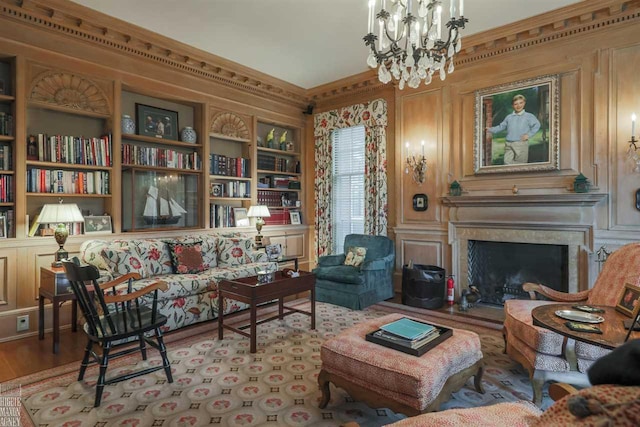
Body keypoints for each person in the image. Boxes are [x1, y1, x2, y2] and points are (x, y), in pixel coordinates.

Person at [486, 94, 541, 165]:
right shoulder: (509, 117)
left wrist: (529, 135)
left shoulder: (529, 116)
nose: (518, 106)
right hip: (509, 143)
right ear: (512, 105)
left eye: (521, 103)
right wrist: (490, 129)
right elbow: (501, 127)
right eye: (516, 104)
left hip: (521, 144)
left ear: (524, 103)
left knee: (520, 164)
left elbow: (537, 125)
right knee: (507, 162)